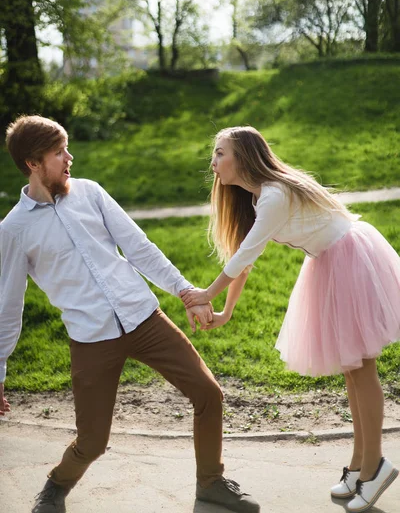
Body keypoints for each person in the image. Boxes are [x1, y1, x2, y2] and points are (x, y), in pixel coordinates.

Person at [0, 115, 260, 513]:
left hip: (144, 318)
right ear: (33, 163)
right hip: (91, 337)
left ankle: (211, 483)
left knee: (208, 393)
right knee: (92, 442)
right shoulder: (14, 229)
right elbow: (8, 306)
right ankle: (55, 486)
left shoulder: (90, 193)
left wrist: (187, 293)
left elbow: (138, 248)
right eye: (59, 152)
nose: (70, 157)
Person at [181, 125, 400, 513]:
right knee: (352, 370)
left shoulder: (274, 196)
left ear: (243, 157)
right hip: (331, 262)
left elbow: (243, 257)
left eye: (219, 153)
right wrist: (226, 310)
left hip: (348, 261)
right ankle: (358, 464)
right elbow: (244, 262)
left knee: (362, 369)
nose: (213, 163)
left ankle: (376, 466)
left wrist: (206, 295)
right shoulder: (259, 197)